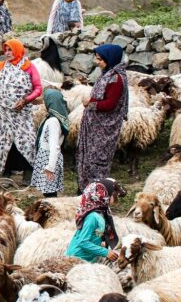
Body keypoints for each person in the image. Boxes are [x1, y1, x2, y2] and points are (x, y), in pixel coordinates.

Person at [0, 39, 42, 183]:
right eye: (5, 50)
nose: (7, 53)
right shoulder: (1, 67)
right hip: (3, 115)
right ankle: (6, 173)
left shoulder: (28, 67)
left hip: (22, 114)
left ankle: (28, 172)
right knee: (4, 141)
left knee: (26, 140)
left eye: (10, 50)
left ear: (18, 50)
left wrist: (25, 100)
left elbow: (38, 88)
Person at [76, 44, 128, 193]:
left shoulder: (116, 79)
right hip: (95, 124)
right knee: (88, 157)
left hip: (104, 127)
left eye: (100, 59)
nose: (97, 62)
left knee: (97, 159)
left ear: (110, 59)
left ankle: (96, 191)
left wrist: (90, 103)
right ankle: (86, 188)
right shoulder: (108, 74)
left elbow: (110, 104)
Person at [66, 181, 120, 264]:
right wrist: (105, 252)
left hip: (87, 259)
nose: (116, 196)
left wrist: (100, 244)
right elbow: (83, 242)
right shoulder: (92, 217)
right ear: (103, 195)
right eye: (112, 194)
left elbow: (95, 234)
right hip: (76, 259)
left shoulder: (102, 213)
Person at [30, 88, 70, 197]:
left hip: (49, 158)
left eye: (45, 100)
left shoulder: (53, 121)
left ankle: (52, 205)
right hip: (47, 157)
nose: (44, 103)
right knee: (47, 190)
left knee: (50, 192)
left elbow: (54, 146)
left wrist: (50, 167)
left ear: (50, 102)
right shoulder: (53, 118)